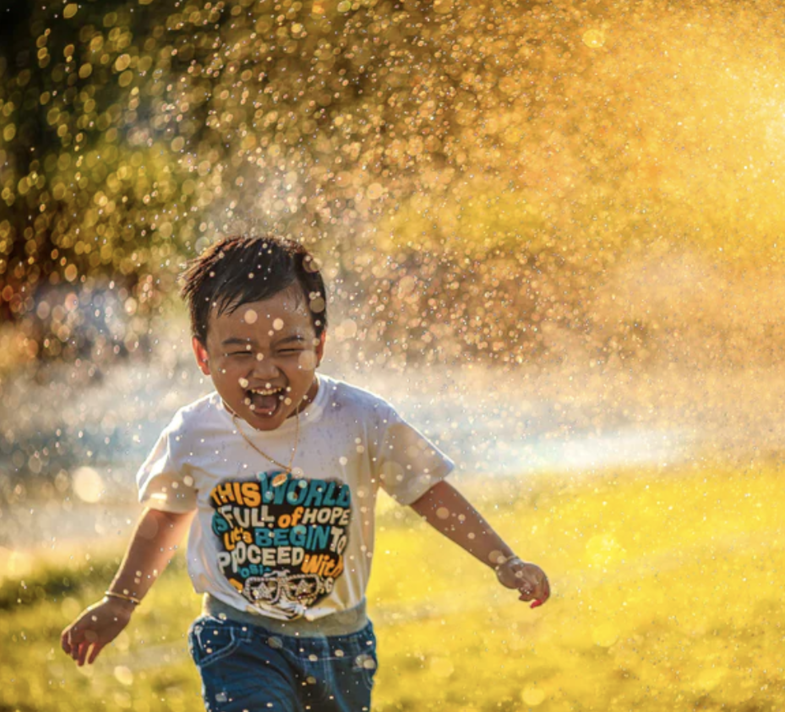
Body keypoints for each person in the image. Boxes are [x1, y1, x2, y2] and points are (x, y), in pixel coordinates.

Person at [59, 235, 550, 712]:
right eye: (240, 352)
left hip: (341, 644)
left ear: (319, 344)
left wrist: (502, 560)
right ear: (203, 356)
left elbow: (429, 492)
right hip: (238, 636)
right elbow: (165, 518)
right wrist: (120, 601)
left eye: (288, 348)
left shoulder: (360, 419)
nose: (265, 370)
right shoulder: (195, 432)